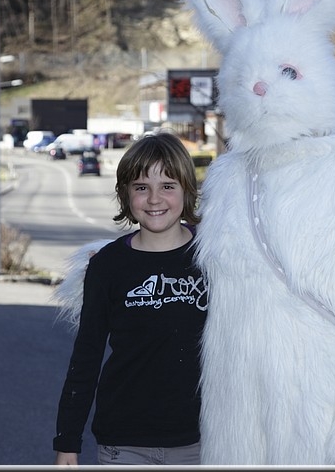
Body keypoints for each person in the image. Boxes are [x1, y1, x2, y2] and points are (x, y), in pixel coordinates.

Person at [53, 131, 207, 466]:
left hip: (200, 443)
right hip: (123, 444)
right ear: (126, 194)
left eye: (168, 186)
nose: (154, 199)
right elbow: (86, 358)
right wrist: (67, 441)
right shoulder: (108, 266)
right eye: (141, 187)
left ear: (187, 190)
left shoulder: (214, 257)